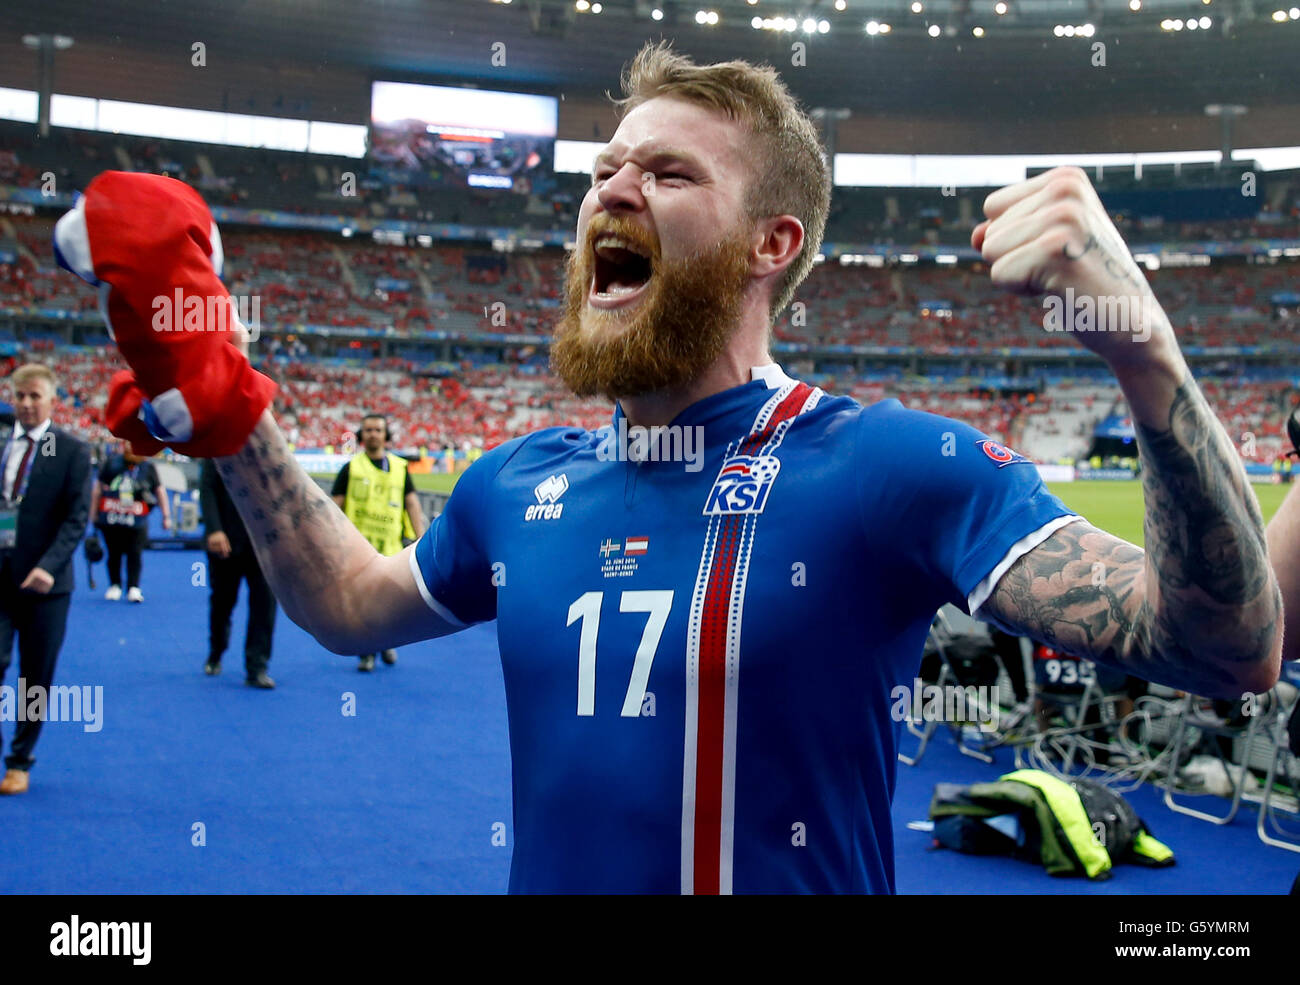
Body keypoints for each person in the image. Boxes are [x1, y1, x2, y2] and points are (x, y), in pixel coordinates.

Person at [66, 44, 1282, 893]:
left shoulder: (894, 465)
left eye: (666, 172)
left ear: (773, 242)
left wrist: (1142, 347)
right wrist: (231, 414)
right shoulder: (514, 483)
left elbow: (1221, 646)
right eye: (604, 168)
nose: (612, 187)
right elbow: (340, 605)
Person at [0, 364, 91, 795]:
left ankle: (20, 760)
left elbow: (76, 520)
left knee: (33, 679)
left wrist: (47, 567)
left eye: (36, 396)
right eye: (20, 396)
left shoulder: (70, 450)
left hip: (46, 586)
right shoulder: (2, 444)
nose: (27, 403)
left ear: (53, 400)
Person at [330, 414, 426, 672]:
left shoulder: (400, 467)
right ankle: (366, 652)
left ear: (386, 435)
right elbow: (334, 506)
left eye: (378, 430)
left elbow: (412, 503)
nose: (373, 434)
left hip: (391, 549)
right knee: (361, 604)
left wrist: (421, 537)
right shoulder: (351, 468)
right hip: (357, 551)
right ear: (362, 435)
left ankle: (386, 643)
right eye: (368, 430)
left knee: (389, 605)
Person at [199, 458, 277, 688]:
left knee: (265, 607)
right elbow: (207, 488)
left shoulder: (269, 450)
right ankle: (216, 651)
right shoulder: (218, 448)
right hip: (225, 543)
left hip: (265, 546)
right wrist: (214, 529)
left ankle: (257, 667)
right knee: (222, 603)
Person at [88, 440, 170, 602]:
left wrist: (166, 516)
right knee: (113, 553)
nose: (130, 447)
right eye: (127, 444)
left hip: (137, 521)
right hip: (112, 519)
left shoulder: (148, 468)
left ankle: (133, 587)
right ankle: (115, 585)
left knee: (135, 553)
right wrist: (93, 514)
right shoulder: (111, 464)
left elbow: (159, 491)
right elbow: (97, 489)